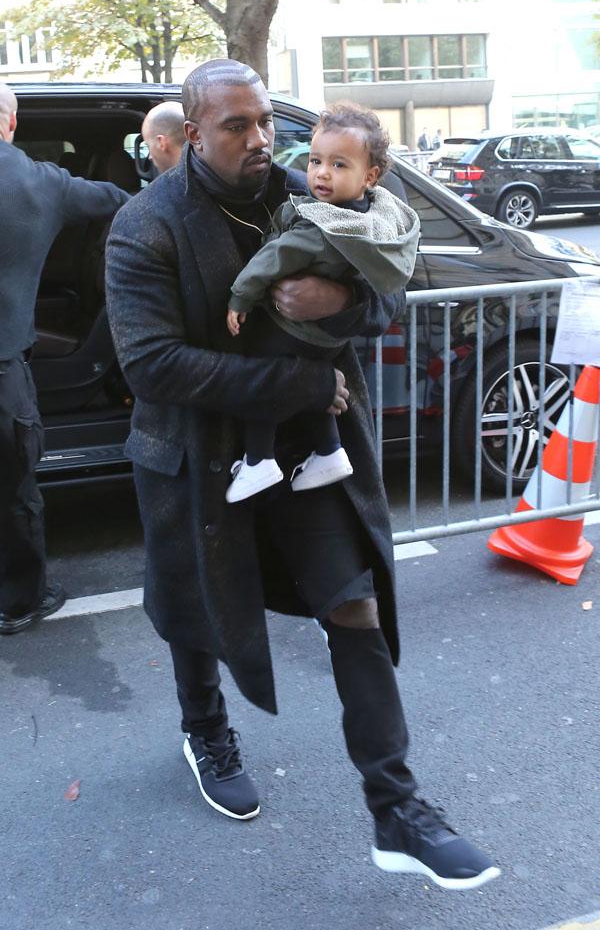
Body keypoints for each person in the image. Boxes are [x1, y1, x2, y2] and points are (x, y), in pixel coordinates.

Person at [105, 58, 500, 891]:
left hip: (310, 454)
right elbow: (152, 366)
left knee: (352, 603)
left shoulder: (311, 187)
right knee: (195, 606)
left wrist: (343, 308)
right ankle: (205, 726)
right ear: (192, 132)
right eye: (236, 127)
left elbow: (391, 282)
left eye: (263, 122)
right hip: (197, 458)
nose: (261, 140)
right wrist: (301, 380)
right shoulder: (145, 224)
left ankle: (397, 810)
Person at [224, 102, 420, 502]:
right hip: (322, 345)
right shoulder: (370, 218)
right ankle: (328, 451)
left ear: (370, 176)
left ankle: (259, 459)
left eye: (338, 165)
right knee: (317, 390)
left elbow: (274, 256)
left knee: (262, 374)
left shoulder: (323, 218)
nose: (322, 173)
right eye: (315, 161)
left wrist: (243, 295)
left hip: (297, 330)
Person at [0, 83, 130, 635]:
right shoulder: (36, 181)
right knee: (13, 489)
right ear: (9, 123)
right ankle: (20, 601)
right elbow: (116, 201)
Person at [141, 101, 186, 174]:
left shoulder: (166, 184)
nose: (150, 157)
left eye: (148, 146)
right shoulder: (208, 172)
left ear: (161, 142)